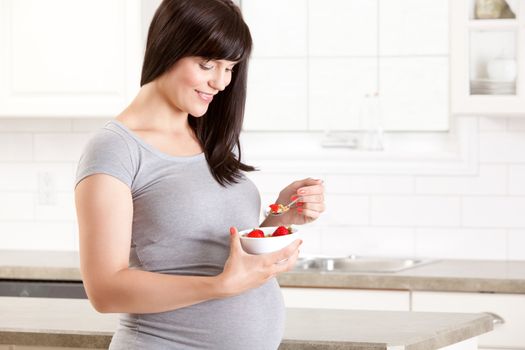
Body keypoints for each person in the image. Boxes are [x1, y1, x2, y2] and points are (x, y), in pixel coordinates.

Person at [74, 0, 325, 349]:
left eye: (230, 68)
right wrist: (219, 286)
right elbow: (105, 290)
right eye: (207, 64)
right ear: (167, 47)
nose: (220, 82)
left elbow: (221, 255)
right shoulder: (116, 149)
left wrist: (278, 218)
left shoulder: (207, 137)